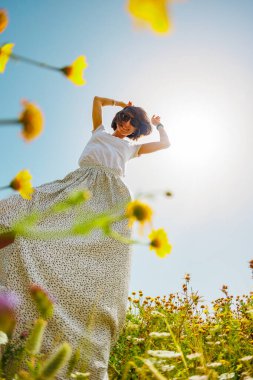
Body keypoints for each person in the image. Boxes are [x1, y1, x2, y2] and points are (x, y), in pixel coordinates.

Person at [0, 96, 170, 379]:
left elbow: (165, 145)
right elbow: (96, 101)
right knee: (28, 211)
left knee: (93, 259)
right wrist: (119, 103)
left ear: (137, 130)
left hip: (110, 199)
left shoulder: (132, 149)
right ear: (119, 118)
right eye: (125, 118)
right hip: (79, 185)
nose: (127, 125)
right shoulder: (100, 132)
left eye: (134, 124)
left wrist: (158, 124)